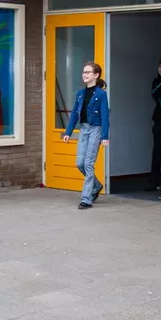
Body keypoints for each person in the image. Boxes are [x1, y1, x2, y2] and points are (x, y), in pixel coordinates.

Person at [63, 62, 110, 210]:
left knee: (88, 164)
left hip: (96, 130)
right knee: (80, 163)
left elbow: (105, 116)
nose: (85, 74)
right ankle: (96, 186)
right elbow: (74, 116)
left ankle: (86, 199)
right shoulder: (80, 94)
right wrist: (68, 132)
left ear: (96, 75)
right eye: (84, 72)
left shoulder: (101, 94)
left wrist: (105, 136)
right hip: (83, 130)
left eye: (88, 72)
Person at [147, 56, 161, 192]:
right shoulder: (157, 81)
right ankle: (154, 181)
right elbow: (155, 94)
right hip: (159, 120)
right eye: (160, 67)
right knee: (157, 151)